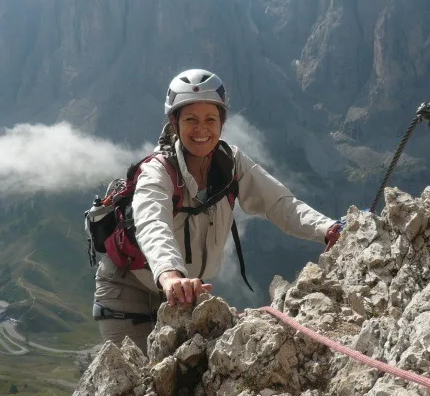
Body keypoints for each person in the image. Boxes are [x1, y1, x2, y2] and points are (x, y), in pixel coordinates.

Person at [92, 69, 343, 353]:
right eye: (190, 120)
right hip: (128, 294)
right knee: (144, 387)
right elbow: (152, 224)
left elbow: (279, 203)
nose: (202, 130)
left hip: (181, 293)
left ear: (222, 122)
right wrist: (171, 275)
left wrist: (328, 229)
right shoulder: (157, 172)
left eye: (211, 119)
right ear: (174, 123)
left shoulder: (232, 163)